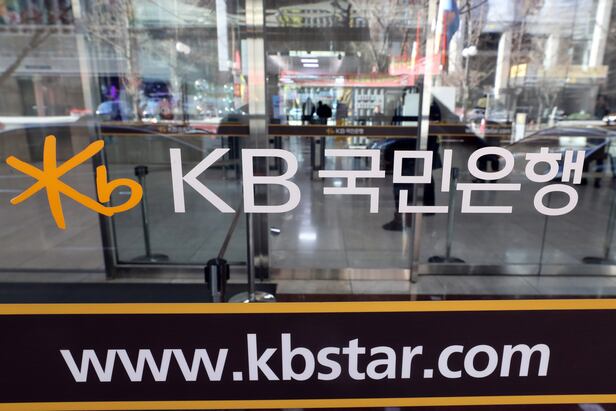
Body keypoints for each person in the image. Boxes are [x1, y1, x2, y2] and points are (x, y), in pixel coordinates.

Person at [382, 98, 442, 231]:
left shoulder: (430, 113)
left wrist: (393, 146)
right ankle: (426, 208)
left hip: (417, 156)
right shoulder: (433, 113)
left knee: (403, 182)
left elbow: (419, 142)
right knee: (425, 177)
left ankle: (403, 219)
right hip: (425, 153)